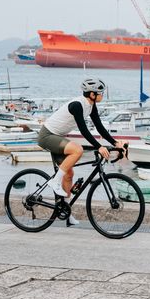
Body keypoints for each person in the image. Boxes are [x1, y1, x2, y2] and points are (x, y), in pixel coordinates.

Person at [37, 78, 124, 223]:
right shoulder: (78, 105)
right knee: (77, 150)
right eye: (100, 92)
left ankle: (66, 212)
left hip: (57, 137)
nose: (102, 94)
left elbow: (99, 127)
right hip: (47, 136)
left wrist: (114, 142)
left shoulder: (91, 106)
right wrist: (99, 147)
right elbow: (84, 130)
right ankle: (55, 182)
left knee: (69, 174)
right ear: (91, 94)